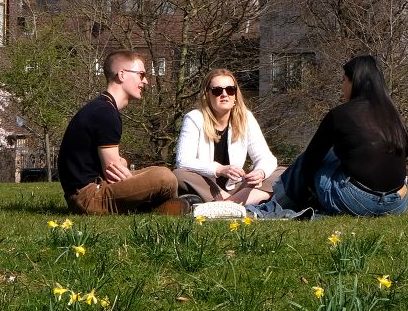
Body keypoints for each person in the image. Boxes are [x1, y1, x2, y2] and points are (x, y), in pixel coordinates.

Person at [266, 55, 408, 217]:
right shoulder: (393, 114)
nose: (342, 86)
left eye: (344, 80)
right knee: (331, 156)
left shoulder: (341, 114)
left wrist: (310, 191)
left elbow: (310, 161)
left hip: (357, 201)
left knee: (312, 158)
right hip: (397, 203)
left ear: (354, 82)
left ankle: (278, 202)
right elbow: (406, 151)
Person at [57, 50, 184, 215]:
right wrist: (122, 164)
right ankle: (163, 206)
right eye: (141, 75)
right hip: (89, 198)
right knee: (165, 178)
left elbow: (114, 167)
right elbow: (114, 174)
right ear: (122, 75)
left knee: (157, 171)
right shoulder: (105, 113)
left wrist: (122, 164)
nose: (145, 81)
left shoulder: (101, 107)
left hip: (89, 190)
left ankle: (161, 207)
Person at [174, 69, 278, 207]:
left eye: (230, 90)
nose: (224, 94)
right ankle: (237, 204)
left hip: (236, 186)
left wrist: (260, 172)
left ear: (235, 95)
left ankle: (227, 205)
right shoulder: (194, 118)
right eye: (217, 90)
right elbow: (183, 160)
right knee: (179, 175)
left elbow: (266, 157)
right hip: (207, 185)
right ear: (207, 95)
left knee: (282, 173)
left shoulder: (245, 118)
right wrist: (220, 170)